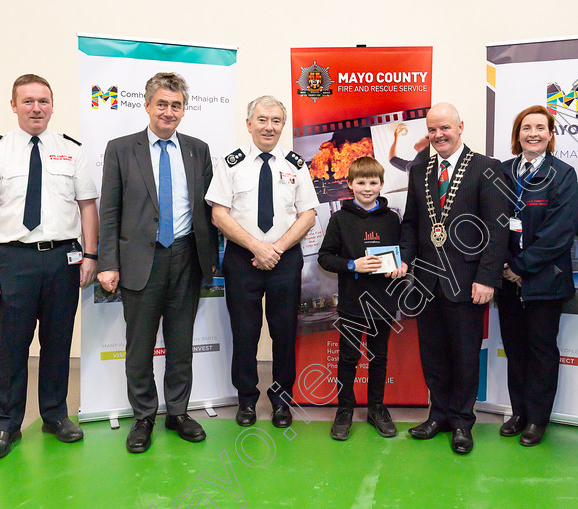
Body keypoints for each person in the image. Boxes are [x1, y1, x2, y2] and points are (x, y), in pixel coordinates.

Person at [0, 74, 99, 460]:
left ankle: (55, 415)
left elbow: (87, 206)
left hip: (63, 257)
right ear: (13, 106)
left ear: (53, 105)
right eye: (27, 101)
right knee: (12, 344)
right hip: (14, 259)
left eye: (43, 101)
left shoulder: (71, 150)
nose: (36, 108)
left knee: (58, 341)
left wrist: (90, 255)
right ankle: (7, 423)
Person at [97, 72, 216, 453]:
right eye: (161, 104)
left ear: (185, 109)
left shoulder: (199, 149)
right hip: (139, 262)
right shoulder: (120, 148)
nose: (169, 111)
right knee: (140, 346)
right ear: (147, 105)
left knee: (181, 344)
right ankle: (144, 416)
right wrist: (107, 263)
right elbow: (110, 211)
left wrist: (211, 261)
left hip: (186, 258)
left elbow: (208, 211)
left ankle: (178, 413)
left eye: (176, 105)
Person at [400, 103, 510, 454]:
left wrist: (487, 277)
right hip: (427, 280)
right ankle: (439, 415)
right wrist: (402, 262)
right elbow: (412, 224)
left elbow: (497, 227)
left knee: (464, 355)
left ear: (460, 127)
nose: (438, 135)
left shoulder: (485, 168)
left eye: (444, 128)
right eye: (432, 130)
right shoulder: (420, 170)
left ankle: (463, 422)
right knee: (432, 353)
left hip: (467, 282)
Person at [206, 96, 319, 429]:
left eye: (276, 121)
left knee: (284, 333)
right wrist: (257, 246)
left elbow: (308, 215)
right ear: (249, 124)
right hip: (242, 258)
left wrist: (277, 248)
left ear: (283, 125)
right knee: (244, 333)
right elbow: (218, 214)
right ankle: (246, 400)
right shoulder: (230, 163)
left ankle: (282, 400)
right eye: (262, 120)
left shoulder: (296, 164)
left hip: (285, 259)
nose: (269, 127)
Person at [495, 105, 578, 447]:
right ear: (517, 135)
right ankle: (519, 412)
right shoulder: (500, 173)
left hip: (546, 280)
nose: (533, 133)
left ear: (550, 134)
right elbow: (489, 224)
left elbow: (559, 233)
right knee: (515, 349)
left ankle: (537, 419)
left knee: (542, 350)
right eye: (526, 128)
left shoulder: (564, 174)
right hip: (506, 279)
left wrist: (520, 266)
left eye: (540, 128)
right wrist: (504, 265)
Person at [317, 156, 407, 441]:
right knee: (348, 357)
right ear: (350, 185)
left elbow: (404, 254)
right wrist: (352, 265)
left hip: (383, 301)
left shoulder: (393, 219)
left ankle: (377, 408)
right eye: (361, 182)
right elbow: (325, 258)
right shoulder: (339, 219)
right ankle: (344, 409)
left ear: (381, 184)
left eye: (372, 182)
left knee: (379, 356)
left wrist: (401, 266)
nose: (367, 188)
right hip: (353, 303)